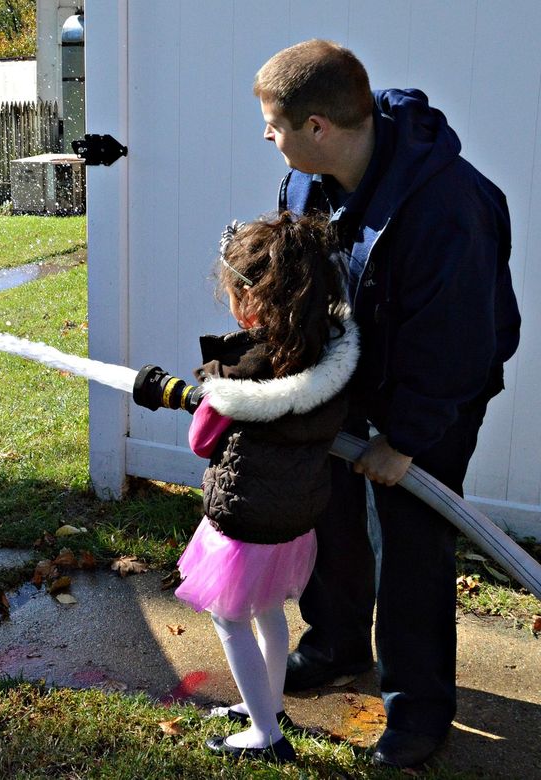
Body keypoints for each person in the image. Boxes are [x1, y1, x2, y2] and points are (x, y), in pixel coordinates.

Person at [253, 40, 521, 769]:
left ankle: (418, 710)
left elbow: (459, 346)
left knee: (411, 545)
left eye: (274, 124)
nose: (267, 138)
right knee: (328, 512)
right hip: (349, 376)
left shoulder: (448, 206)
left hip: (433, 395)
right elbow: (300, 285)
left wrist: (402, 441)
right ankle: (338, 646)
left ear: (318, 127)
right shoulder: (306, 184)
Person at [137, 212, 357, 763]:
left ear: (251, 302)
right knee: (269, 612)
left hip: (244, 522)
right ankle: (269, 705)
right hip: (295, 519)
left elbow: (201, 440)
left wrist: (191, 396)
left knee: (231, 618)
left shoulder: (240, 371)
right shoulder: (324, 356)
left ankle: (265, 734)